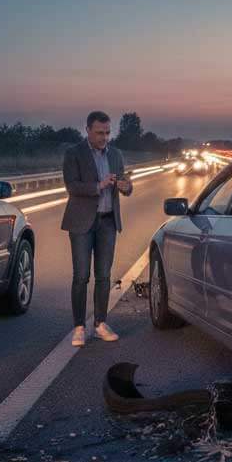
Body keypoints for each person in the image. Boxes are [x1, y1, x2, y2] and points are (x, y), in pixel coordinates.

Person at [61, 111, 133, 346]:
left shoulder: (116, 154)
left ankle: (100, 323)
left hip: (108, 222)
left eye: (108, 133)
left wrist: (124, 185)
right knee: (81, 276)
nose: (104, 137)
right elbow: (72, 186)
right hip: (82, 222)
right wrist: (98, 185)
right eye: (100, 133)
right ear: (88, 130)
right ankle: (79, 327)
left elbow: (127, 186)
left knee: (104, 276)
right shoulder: (74, 153)